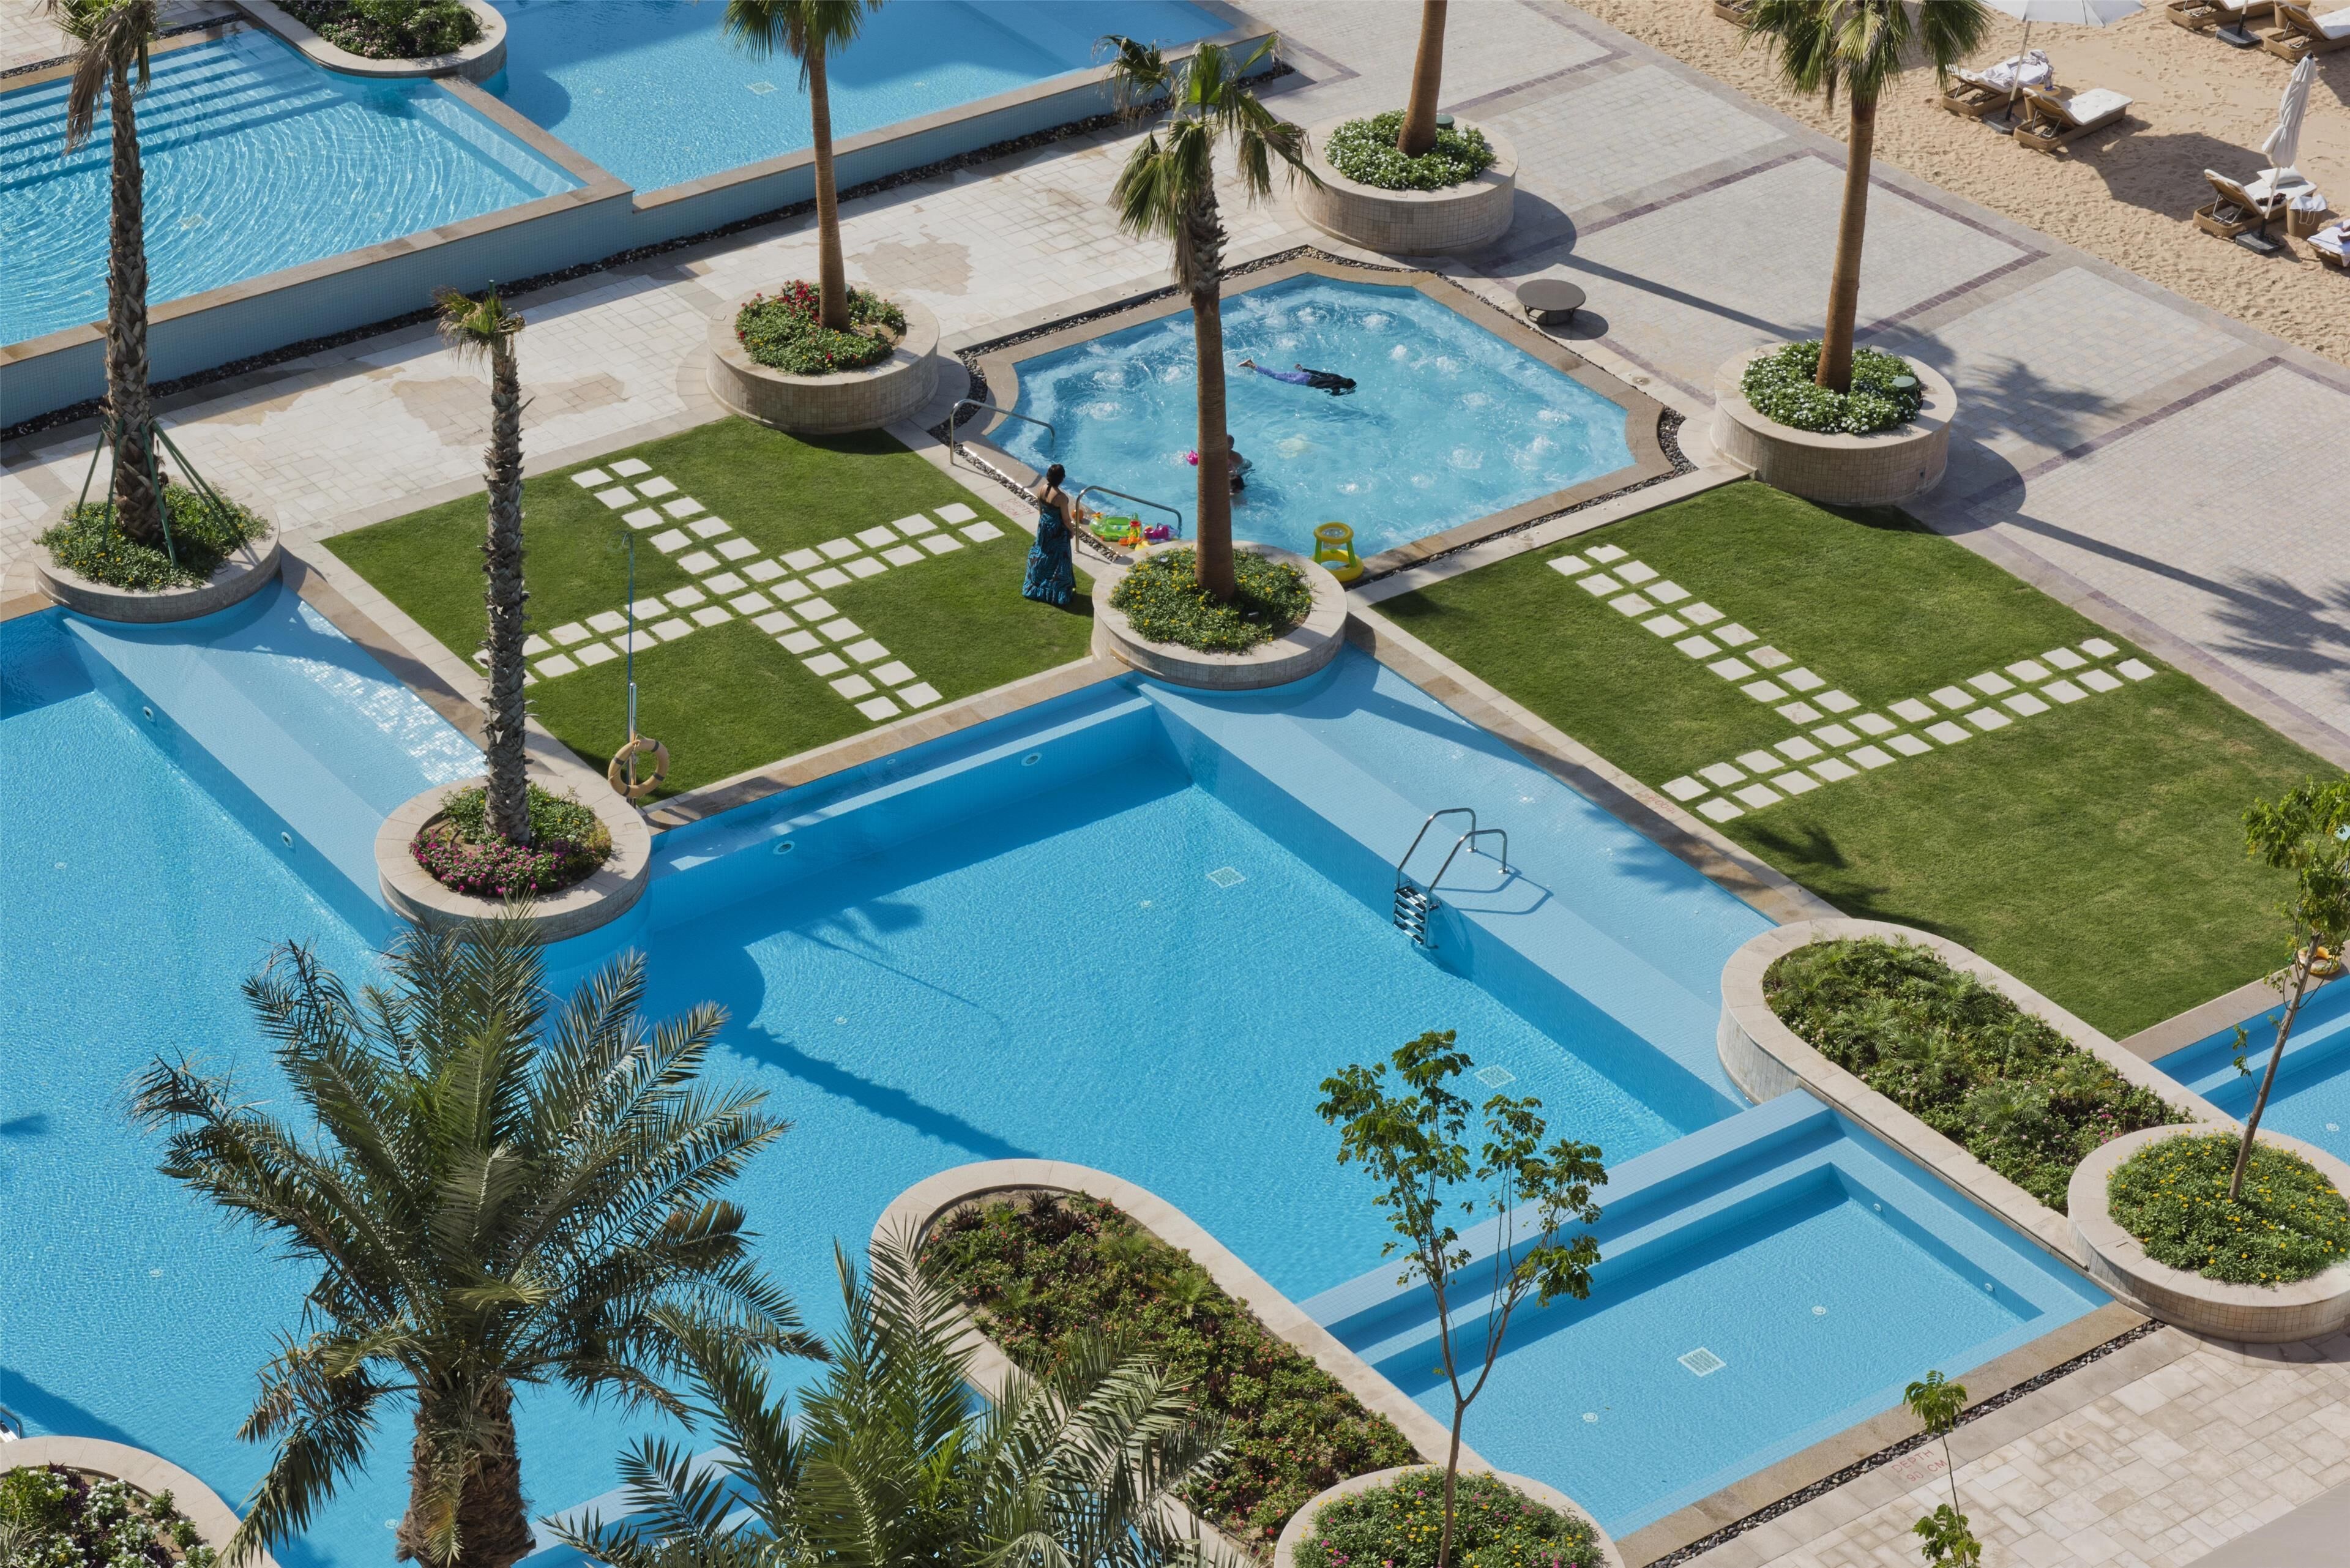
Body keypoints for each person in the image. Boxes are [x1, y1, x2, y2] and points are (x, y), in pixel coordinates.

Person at [1022, 462, 1078, 605]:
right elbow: (1066, 519)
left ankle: (1037, 582)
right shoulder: (1061, 498)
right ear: (1062, 478)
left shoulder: (1041, 489)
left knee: (1042, 552)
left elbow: (1041, 510)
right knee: (1060, 560)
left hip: (1044, 526)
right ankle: (1057, 592)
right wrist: (1072, 531)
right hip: (1057, 530)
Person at [1239, 357, 1355, 395]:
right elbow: (1334, 395)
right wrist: (1347, 393)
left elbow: (1320, 373)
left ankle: (1252, 367)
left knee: (1277, 373)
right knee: (1274, 375)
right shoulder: (1336, 387)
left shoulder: (1336, 377)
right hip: (1302, 381)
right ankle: (1251, 365)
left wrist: (1303, 369)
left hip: (1305, 375)